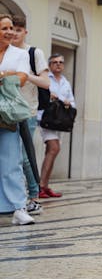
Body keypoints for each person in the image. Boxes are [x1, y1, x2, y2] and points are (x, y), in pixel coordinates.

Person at [11, 15, 49, 210]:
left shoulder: (34, 53)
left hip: (27, 112)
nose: (14, 33)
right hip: (6, 112)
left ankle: (34, 197)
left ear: (25, 32)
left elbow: (46, 82)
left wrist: (28, 76)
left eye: (18, 30)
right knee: (10, 155)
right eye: (11, 29)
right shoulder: (4, 53)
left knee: (25, 156)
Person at [0, 13, 35, 225]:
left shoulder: (20, 54)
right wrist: (7, 74)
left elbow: (22, 78)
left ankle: (19, 208)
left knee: (11, 158)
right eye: (4, 28)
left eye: (11, 28)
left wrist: (3, 76)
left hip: (8, 111)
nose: (10, 32)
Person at [42, 52, 74, 198]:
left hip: (60, 122)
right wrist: (58, 98)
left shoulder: (65, 82)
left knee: (51, 152)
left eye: (61, 62)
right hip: (46, 119)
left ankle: (45, 185)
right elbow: (44, 96)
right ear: (50, 65)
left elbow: (72, 101)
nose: (58, 64)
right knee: (54, 148)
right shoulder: (46, 79)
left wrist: (67, 103)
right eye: (55, 62)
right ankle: (41, 186)